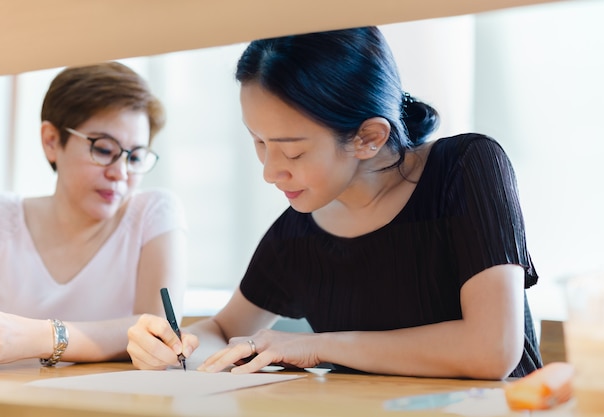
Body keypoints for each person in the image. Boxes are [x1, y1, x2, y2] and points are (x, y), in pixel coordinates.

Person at [127, 26, 542, 379]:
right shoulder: (296, 234)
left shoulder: (466, 166)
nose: (270, 172)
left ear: (369, 137)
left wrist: (319, 347)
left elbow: (492, 349)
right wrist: (178, 349)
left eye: (292, 152)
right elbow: (223, 327)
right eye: (259, 142)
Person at [0, 62, 187, 365]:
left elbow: (158, 333)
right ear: (51, 141)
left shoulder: (153, 212)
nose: (120, 173)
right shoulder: (4, 218)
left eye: (135, 156)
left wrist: (35, 337)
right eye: (103, 149)